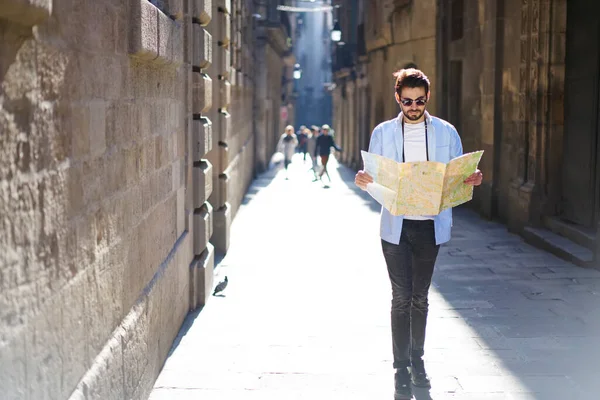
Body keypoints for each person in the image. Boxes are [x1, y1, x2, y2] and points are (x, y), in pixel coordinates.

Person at [354, 68, 482, 400]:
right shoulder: (383, 132)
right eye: (408, 100)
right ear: (398, 98)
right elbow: (375, 177)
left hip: (429, 225)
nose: (414, 106)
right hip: (395, 227)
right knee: (400, 298)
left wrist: (471, 178)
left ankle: (417, 362)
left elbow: (458, 172)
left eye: (420, 100)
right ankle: (400, 369)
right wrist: (365, 182)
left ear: (427, 98)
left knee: (420, 298)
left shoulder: (445, 131)